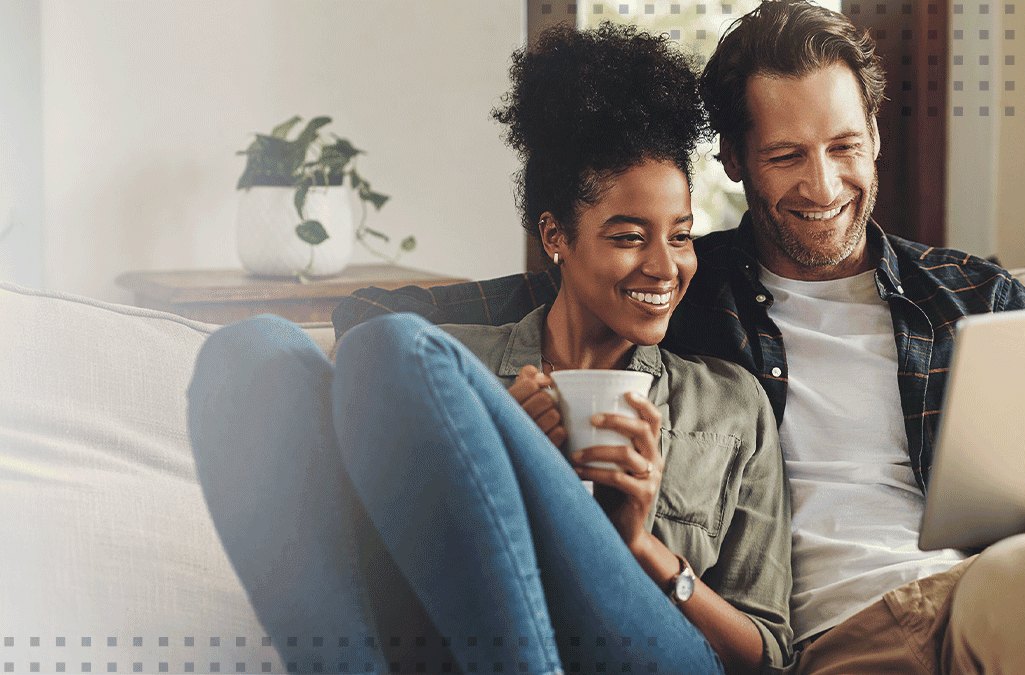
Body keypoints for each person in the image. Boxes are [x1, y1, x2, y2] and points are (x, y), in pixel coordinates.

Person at [331, 2, 1025, 674]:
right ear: (734, 160)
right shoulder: (682, 289)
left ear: (876, 134)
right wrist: (484, 397)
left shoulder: (977, 298)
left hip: (996, 599)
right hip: (841, 642)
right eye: (786, 156)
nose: (823, 184)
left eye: (845, 146)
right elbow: (395, 329)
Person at [189, 22, 792, 675]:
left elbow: (768, 654)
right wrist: (493, 457)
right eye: (628, 237)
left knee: (393, 346)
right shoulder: (451, 371)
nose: (665, 266)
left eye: (680, 236)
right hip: (457, 646)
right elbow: (372, 557)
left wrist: (641, 547)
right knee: (248, 354)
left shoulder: (731, 405)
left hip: (649, 654)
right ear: (556, 235)